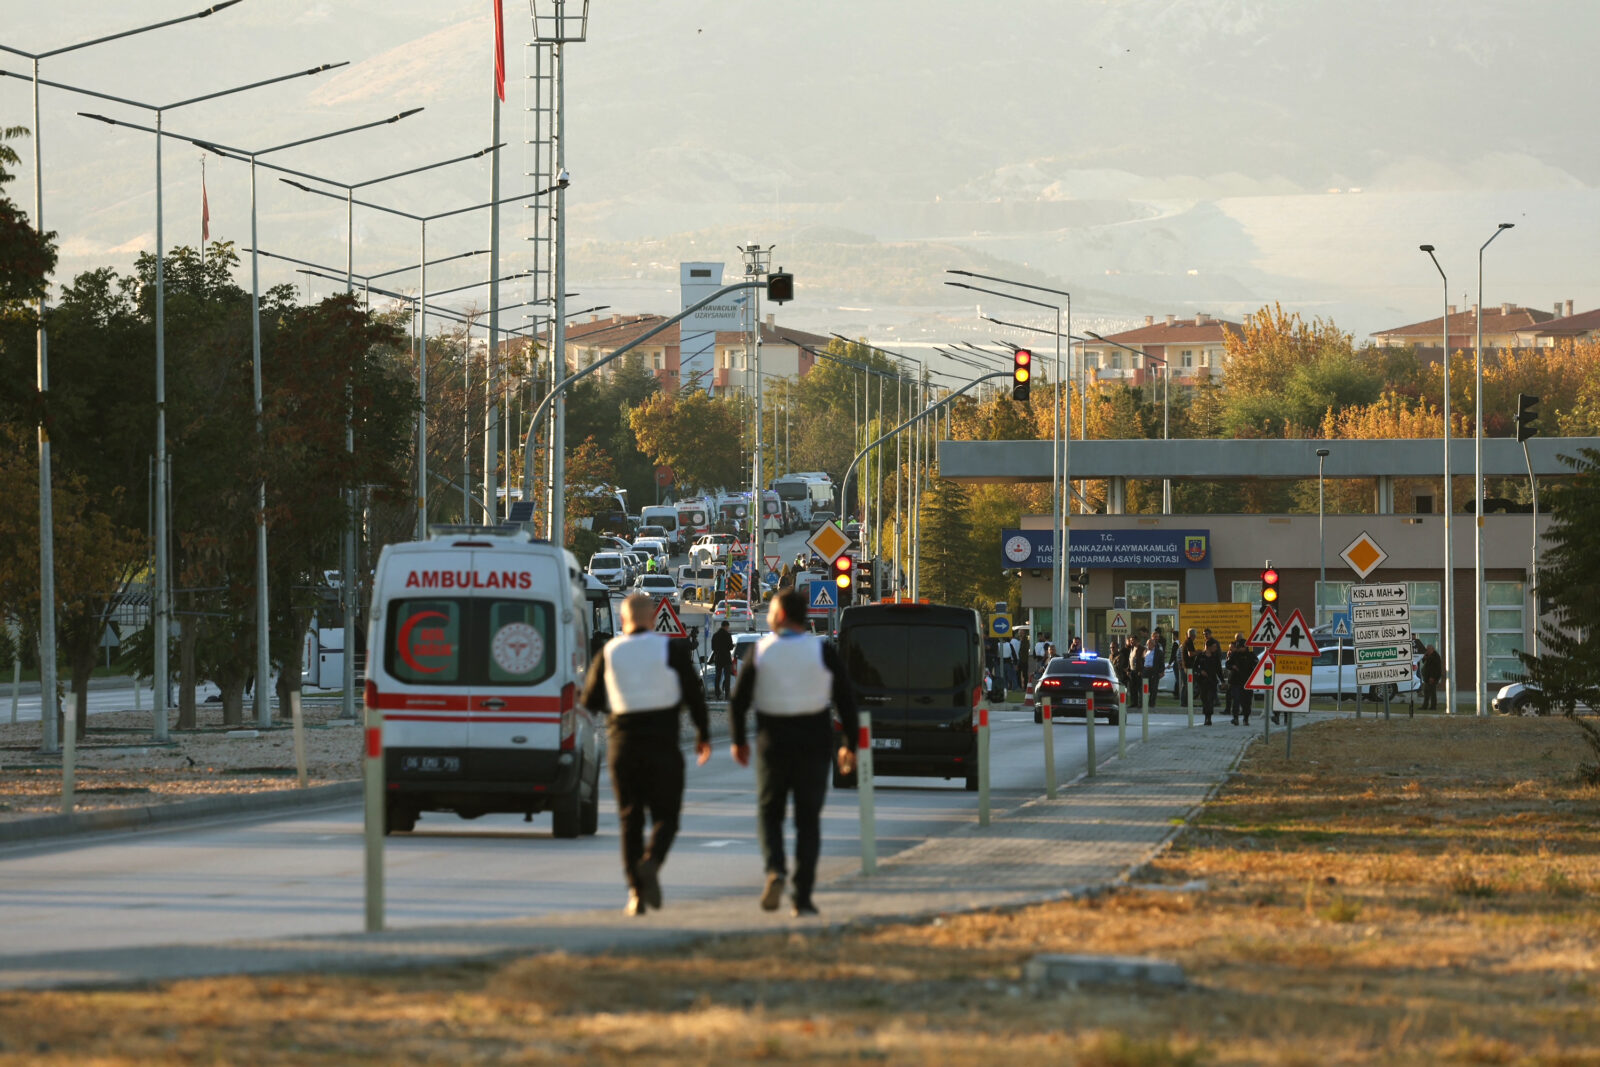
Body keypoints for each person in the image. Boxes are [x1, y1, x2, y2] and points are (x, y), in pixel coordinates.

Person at [730, 589, 860, 918]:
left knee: (769, 813)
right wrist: (851, 743)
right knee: (808, 821)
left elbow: (739, 700)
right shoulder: (823, 651)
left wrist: (738, 741)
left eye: (771, 611)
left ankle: (775, 869)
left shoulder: (762, 651)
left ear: (782, 615)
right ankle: (802, 896)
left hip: (772, 741)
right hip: (814, 742)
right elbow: (846, 699)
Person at [580, 593, 712, 916]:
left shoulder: (609, 652)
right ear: (653, 620)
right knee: (667, 817)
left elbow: (590, 703)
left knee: (630, 818)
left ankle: (636, 894)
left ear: (623, 621)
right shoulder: (671, 649)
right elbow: (694, 695)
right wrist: (702, 735)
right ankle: (652, 862)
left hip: (623, 745)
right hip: (663, 744)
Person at [1226, 638, 1258, 726]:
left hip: (1247, 682)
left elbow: (1256, 665)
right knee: (1236, 700)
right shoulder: (1234, 655)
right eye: (1238, 647)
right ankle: (1235, 718)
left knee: (1247, 702)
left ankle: (1246, 718)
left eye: (1240, 647)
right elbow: (1227, 664)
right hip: (1236, 681)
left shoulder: (1251, 655)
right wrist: (1233, 667)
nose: (1239, 649)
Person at [1195, 637, 1223, 725]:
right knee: (1204, 699)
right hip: (1202, 681)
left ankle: (1209, 717)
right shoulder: (1200, 656)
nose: (1215, 648)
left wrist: (1222, 681)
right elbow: (1195, 667)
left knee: (1210, 699)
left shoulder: (1215, 657)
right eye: (1214, 646)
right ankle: (1206, 716)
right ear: (1208, 646)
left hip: (1212, 681)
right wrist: (1200, 671)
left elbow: (1219, 670)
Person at [710, 621, 734, 700]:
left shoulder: (715, 635)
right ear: (726, 626)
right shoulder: (728, 635)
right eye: (728, 627)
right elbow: (730, 647)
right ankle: (727, 695)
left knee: (718, 677)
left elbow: (713, 648)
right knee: (727, 678)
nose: (728, 629)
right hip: (726, 659)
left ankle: (717, 694)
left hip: (718, 659)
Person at [1144, 635, 1165, 709]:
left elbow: (1161, 663)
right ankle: (1144, 702)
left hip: (1154, 671)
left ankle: (1152, 703)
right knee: (1145, 688)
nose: (1147, 645)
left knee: (1153, 688)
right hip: (1146, 671)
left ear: (1153, 644)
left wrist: (1161, 671)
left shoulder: (1158, 652)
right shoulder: (1145, 651)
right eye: (1147, 644)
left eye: (1149, 644)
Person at [1176, 629, 1197, 702]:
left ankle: (1186, 702)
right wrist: (1198, 652)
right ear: (1193, 635)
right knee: (1187, 685)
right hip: (1187, 668)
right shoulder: (1189, 642)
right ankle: (1184, 702)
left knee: (1187, 684)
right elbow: (1190, 654)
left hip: (1186, 667)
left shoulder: (1186, 642)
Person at [1420, 644, 1442, 710]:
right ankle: (1425, 706)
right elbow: (1424, 662)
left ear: (1432, 649)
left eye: (1428, 649)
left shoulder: (1436, 657)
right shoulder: (1428, 655)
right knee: (1426, 692)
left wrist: (1432, 677)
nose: (1427, 650)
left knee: (1432, 693)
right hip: (1427, 678)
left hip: (1432, 678)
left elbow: (1436, 668)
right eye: (1427, 649)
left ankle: (1433, 706)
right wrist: (1424, 657)